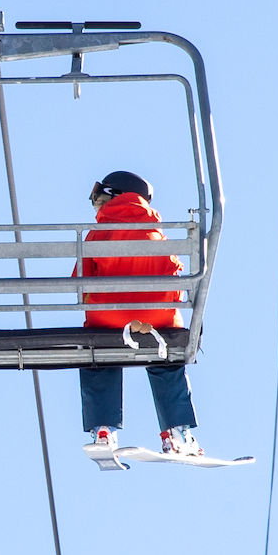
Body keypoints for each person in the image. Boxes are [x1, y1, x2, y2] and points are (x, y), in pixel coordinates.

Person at [76, 170, 200, 461]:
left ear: (114, 195)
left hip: (108, 317)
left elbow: (81, 280)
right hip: (155, 318)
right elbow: (175, 278)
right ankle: (177, 433)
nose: (96, 206)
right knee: (167, 359)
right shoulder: (157, 234)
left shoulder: (98, 233)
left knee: (98, 355)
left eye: (99, 198)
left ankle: (103, 430)